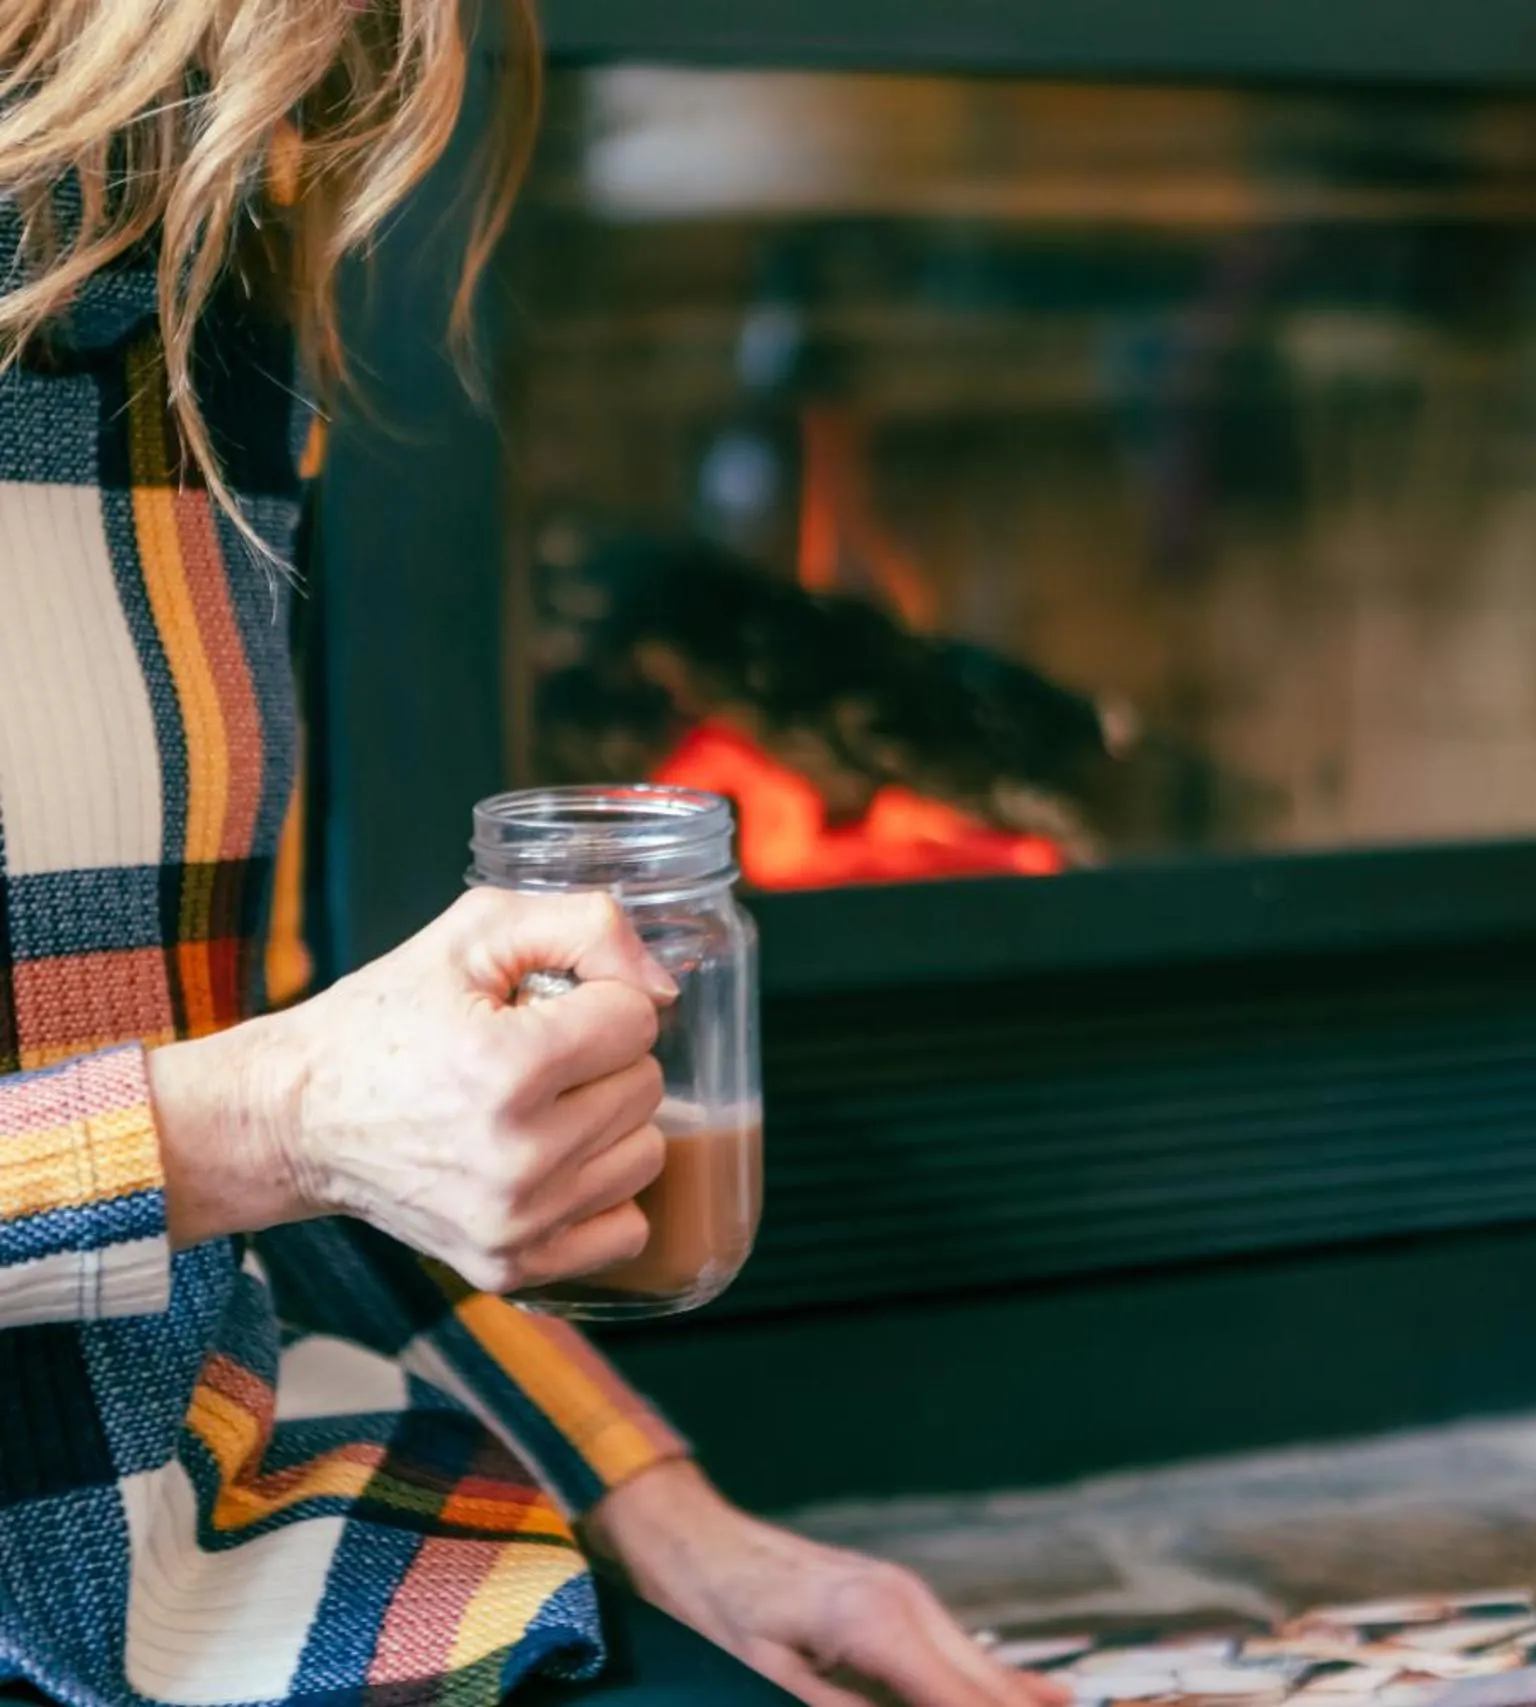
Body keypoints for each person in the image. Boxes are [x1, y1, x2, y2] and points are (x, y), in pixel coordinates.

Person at [0, 5, 1072, 1705]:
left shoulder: (196, 307)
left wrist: (660, 1511)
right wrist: (263, 1117)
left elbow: (277, 1104)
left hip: (225, 1530)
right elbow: (267, 1116)